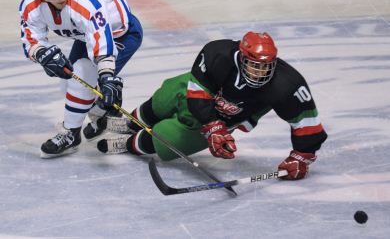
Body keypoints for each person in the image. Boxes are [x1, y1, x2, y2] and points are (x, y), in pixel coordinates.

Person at [95, 32, 327, 180]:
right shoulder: (219, 53)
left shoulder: (288, 84)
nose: (260, 72)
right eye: (253, 65)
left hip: (232, 116)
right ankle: (130, 123)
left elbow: (308, 124)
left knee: (169, 138)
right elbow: (197, 94)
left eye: (265, 67)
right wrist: (211, 126)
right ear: (241, 57)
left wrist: (302, 157)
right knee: (169, 94)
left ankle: (128, 144)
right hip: (204, 99)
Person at [19, 0, 143, 158]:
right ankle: (101, 116)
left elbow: (102, 42)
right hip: (84, 37)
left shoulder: (87, 3)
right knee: (68, 84)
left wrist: (107, 75)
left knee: (84, 78)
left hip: (122, 35)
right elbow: (31, 39)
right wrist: (41, 53)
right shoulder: (31, 5)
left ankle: (72, 133)